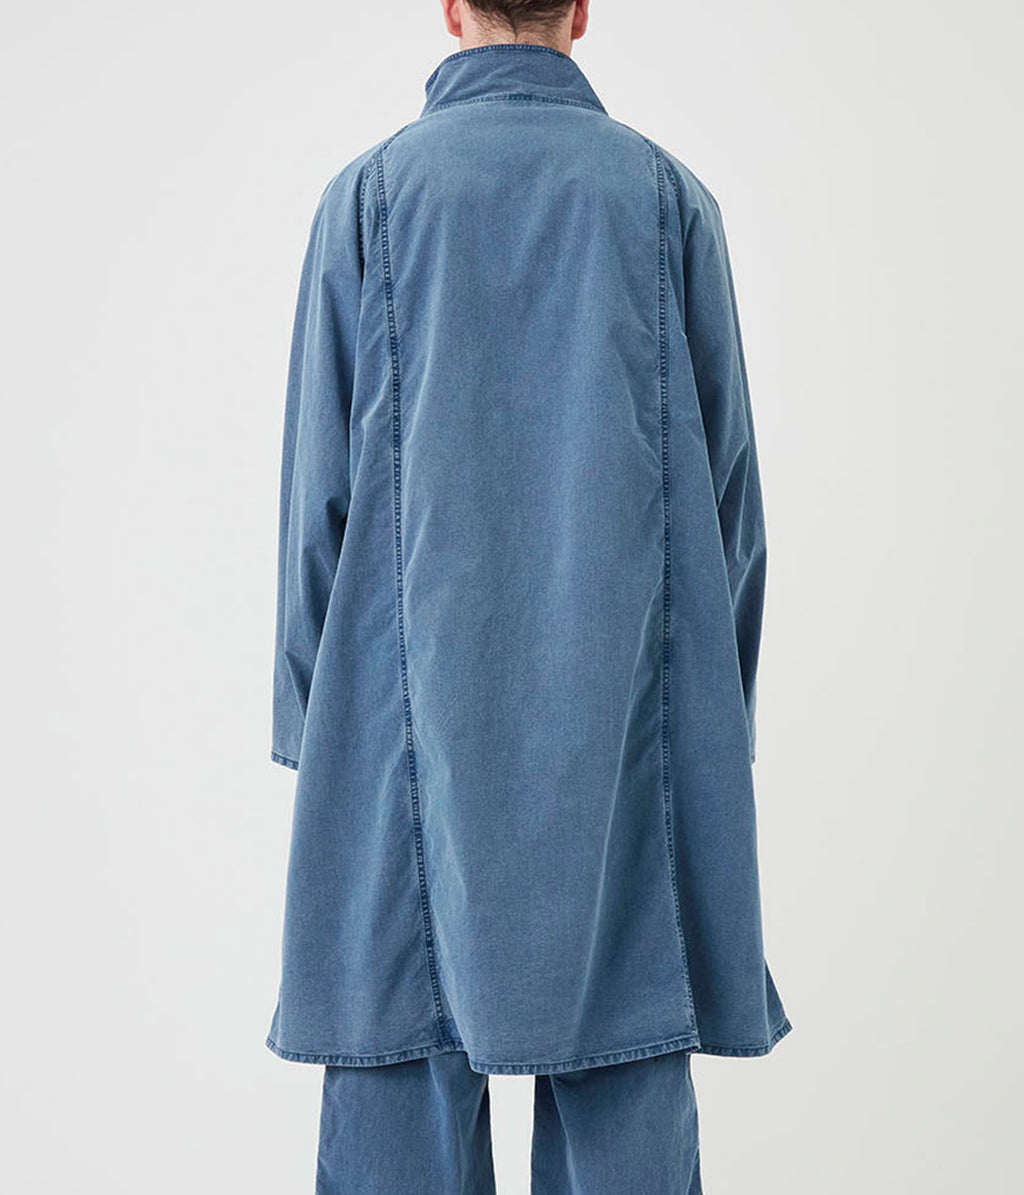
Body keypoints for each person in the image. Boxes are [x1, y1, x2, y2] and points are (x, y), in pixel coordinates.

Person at [267, 1, 791, 1190]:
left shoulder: (370, 198)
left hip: (401, 715)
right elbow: (731, 505)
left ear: (450, 7)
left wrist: (314, 718)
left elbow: (318, 496)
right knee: (624, 1062)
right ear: (582, 11)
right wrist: (716, 727)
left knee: (395, 1061)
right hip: (625, 723)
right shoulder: (665, 199)